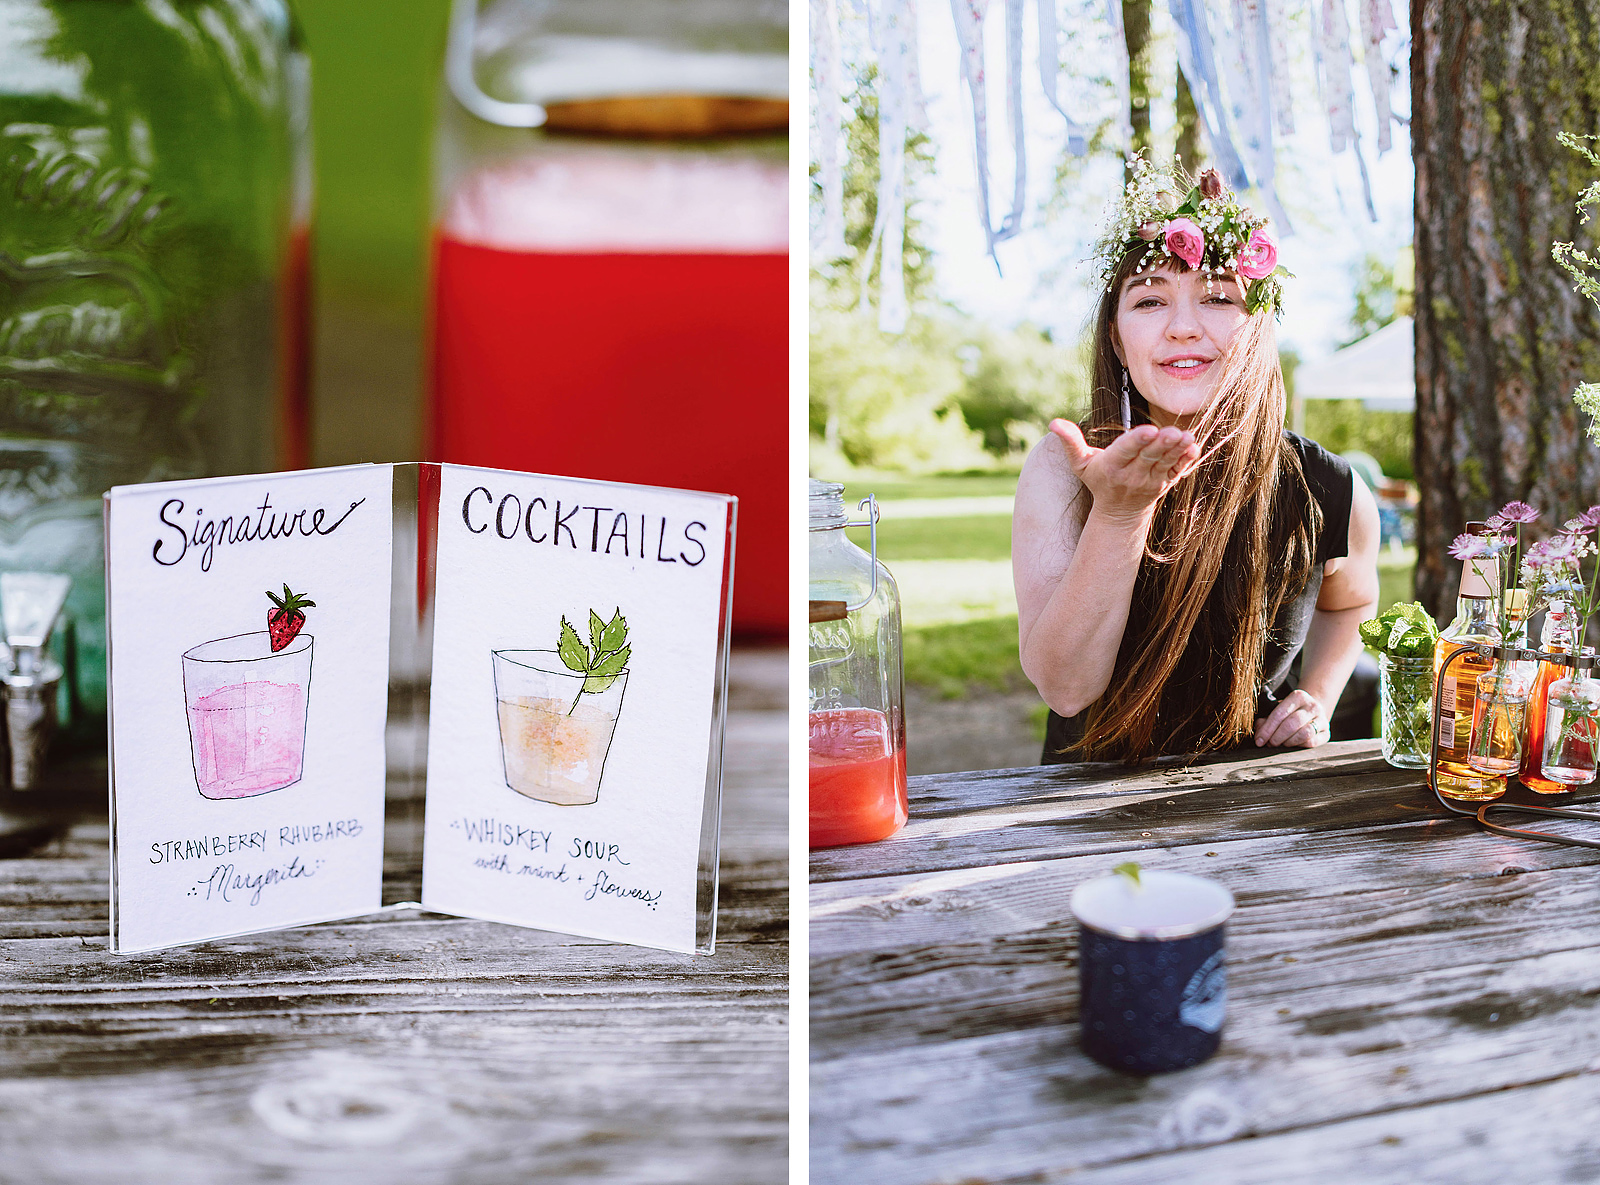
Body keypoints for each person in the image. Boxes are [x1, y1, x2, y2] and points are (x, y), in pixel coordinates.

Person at [1012, 159, 1379, 763]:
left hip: (1258, 816)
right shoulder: (1063, 470)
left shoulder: (1328, 486)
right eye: (1151, 300)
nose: (1183, 327)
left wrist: (1317, 695)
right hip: (1089, 820)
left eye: (1216, 297)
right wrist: (1119, 513)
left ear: (1257, 325)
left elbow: (1353, 602)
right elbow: (1066, 688)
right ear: (1116, 339)